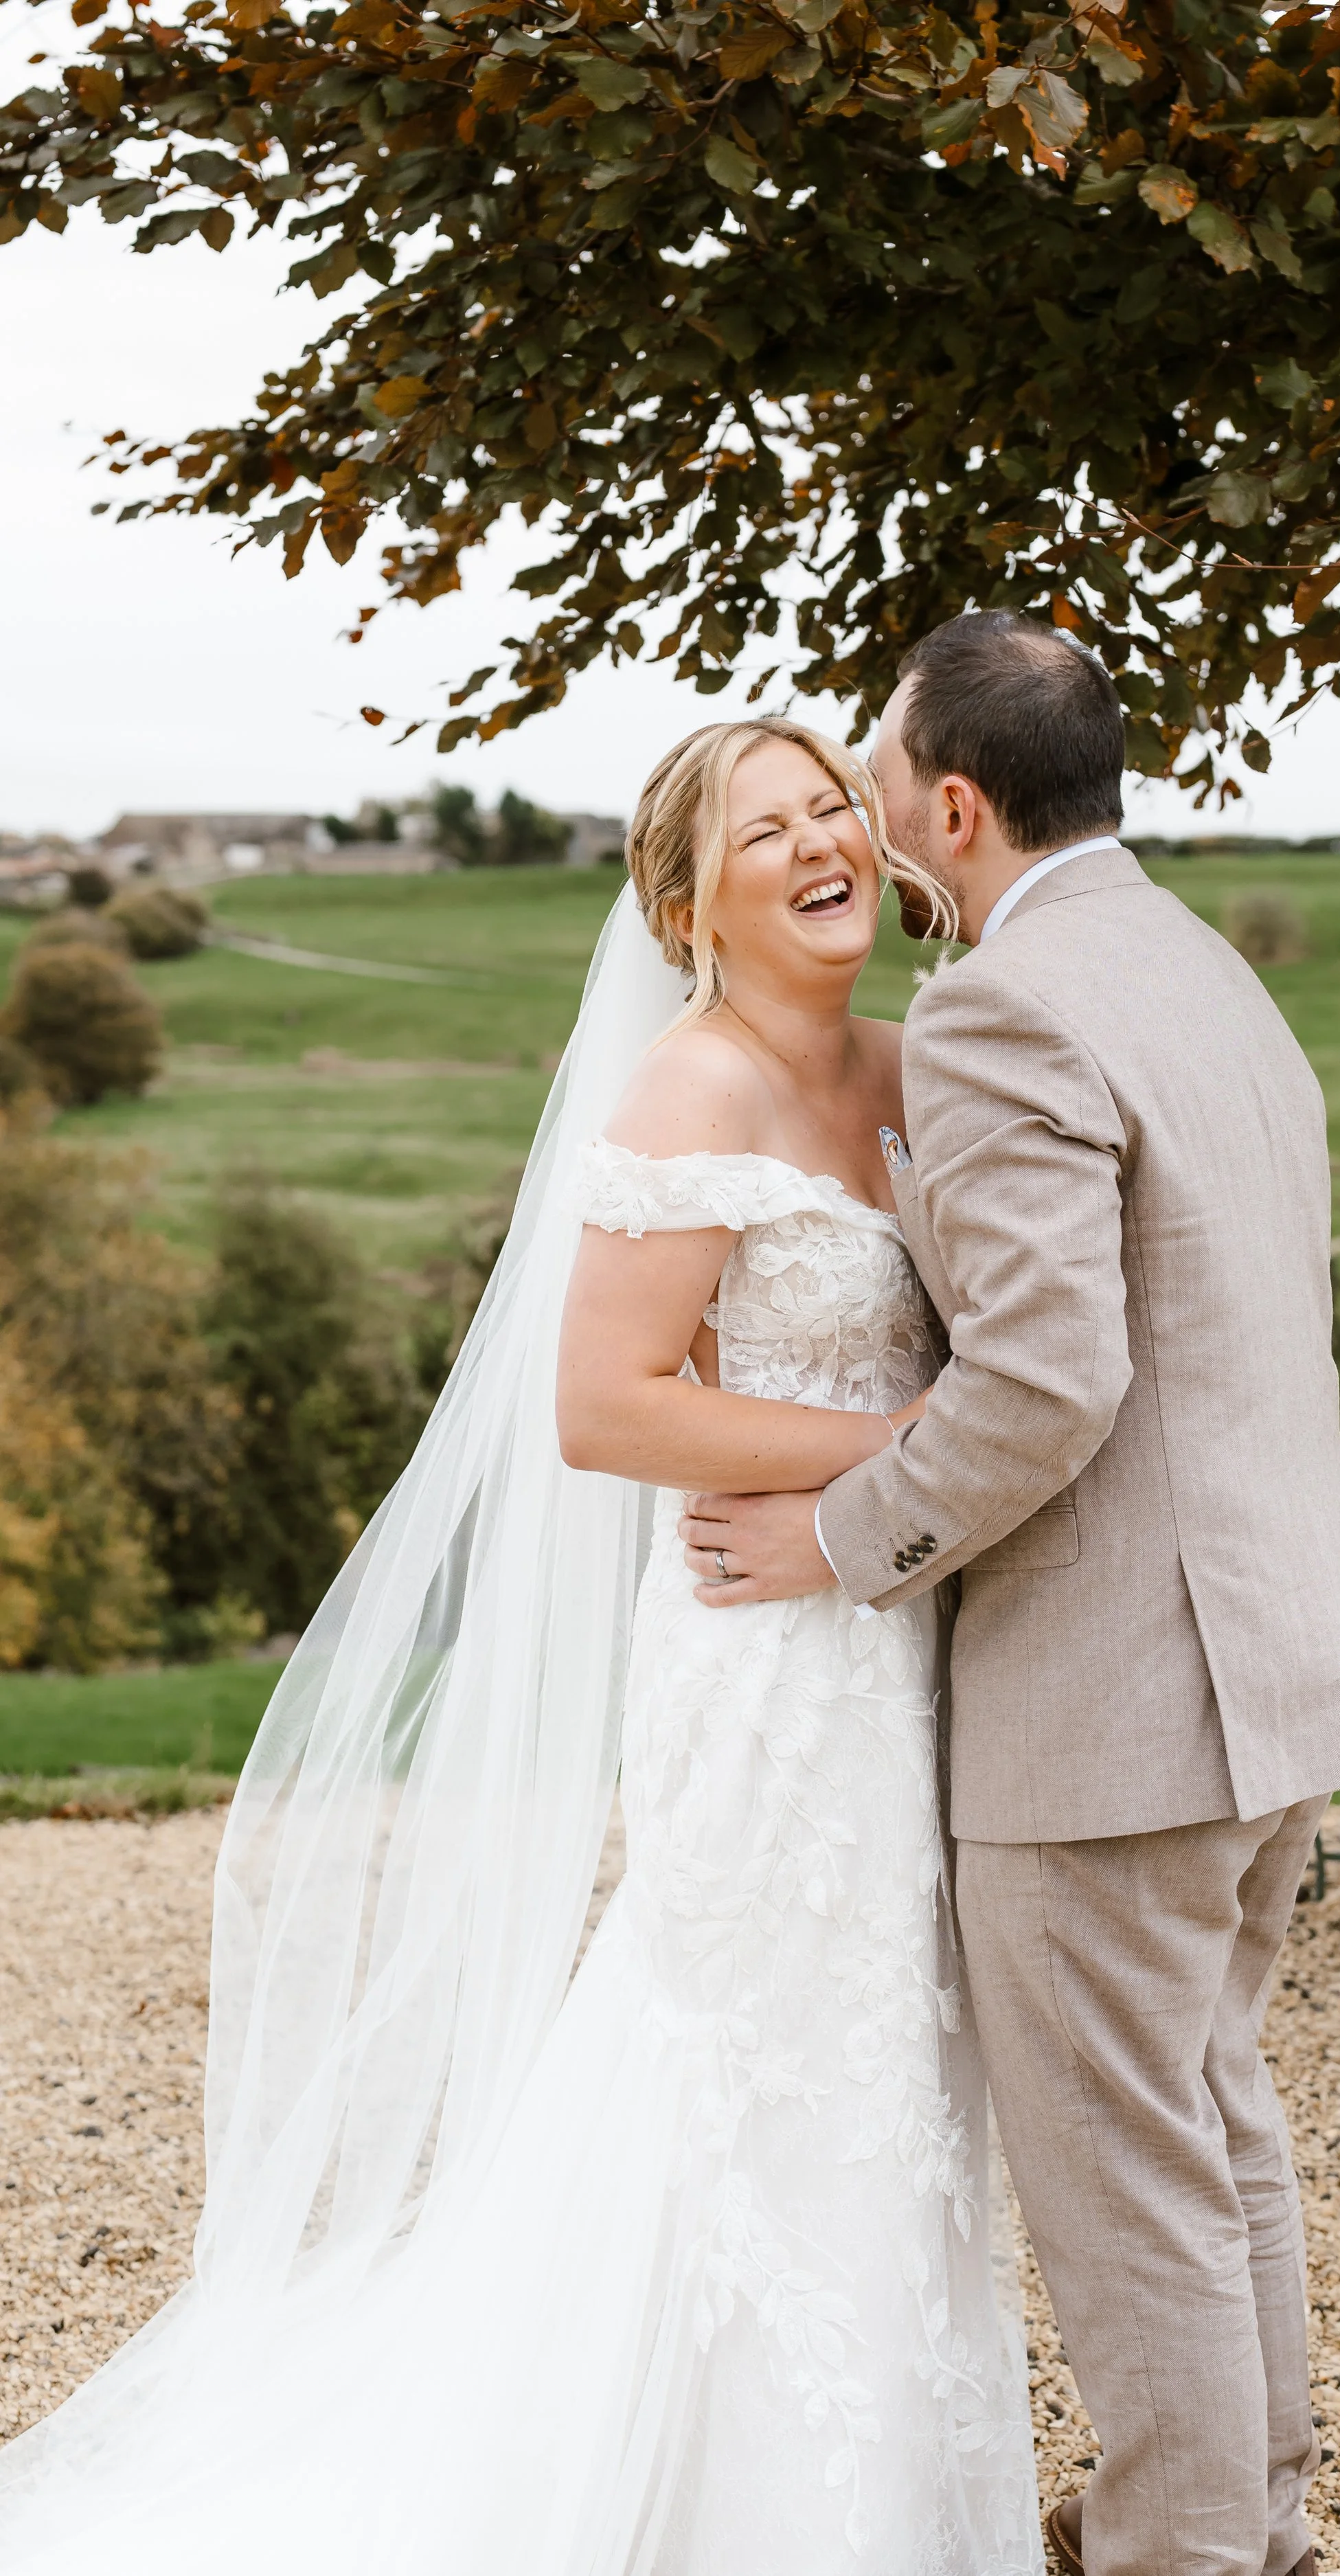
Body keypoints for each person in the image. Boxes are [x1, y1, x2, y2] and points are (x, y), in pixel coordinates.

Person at [0, 717, 1041, 2575]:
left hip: (923, 1642)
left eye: (831, 811)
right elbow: (607, 1406)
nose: (817, 846)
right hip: (766, 1664)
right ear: (686, 902)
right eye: (764, 830)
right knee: (767, 2058)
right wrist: (905, 1456)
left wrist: (941, 1479)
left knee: (910, 2068)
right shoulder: (684, 1092)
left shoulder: (917, 1068)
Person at [679, 613, 1340, 2576]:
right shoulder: (1198, 963)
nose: (860, 809)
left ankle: (1181, 2552)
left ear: (952, 804)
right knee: (1210, 2117)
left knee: (1130, 2178)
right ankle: (1256, 2513)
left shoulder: (1001, 1007)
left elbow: (1049, 1379)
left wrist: (834, 1538)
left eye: (876, 773)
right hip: (1279, 1661)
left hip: (1118, 1702)